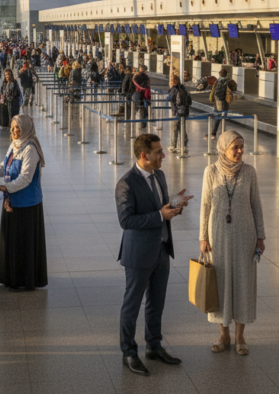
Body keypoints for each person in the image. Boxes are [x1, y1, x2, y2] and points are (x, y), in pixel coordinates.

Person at [116, 133, 192, 376]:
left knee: (156, 302)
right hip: (138, 254)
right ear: (144, 155)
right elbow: (126, 220)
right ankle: (129, 352)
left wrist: (175, 204)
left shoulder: (159, 175)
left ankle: (154, 346)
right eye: (158, 152)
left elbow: (159, 205)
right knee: (132, 305)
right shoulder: (126, 183)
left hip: (161, 249)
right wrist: (160, 215)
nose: (163, 155)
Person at [199, 131, 266, 354]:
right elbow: (205, 205)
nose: (239, 151)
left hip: (245, 235)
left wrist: (260, 236)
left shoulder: (249, 172)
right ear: (223, 148)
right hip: (217, 234)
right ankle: (223, 333)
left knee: (243, 281)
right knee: (220, 282)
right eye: (234, 147)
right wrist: (203, 237)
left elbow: (256, 204)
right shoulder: (211, 171)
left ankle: (240, 336)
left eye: (241, 146)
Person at [0, 114, 47, 292]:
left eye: (17, 127)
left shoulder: (30, 149)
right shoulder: (14, 145)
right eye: (12, 127)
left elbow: (25, 178)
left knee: (23, 242)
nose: (13, 131)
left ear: (25, 128)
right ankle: (12, 277)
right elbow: (3, 167)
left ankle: (24, 280)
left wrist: (5, 187)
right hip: (12, 202)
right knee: (12, 241)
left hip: (27, 205)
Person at [167, 74, 192, 151]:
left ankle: (173, 146)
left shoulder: (174, 89)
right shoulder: (183, 88)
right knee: (182, 128)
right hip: (184, 111)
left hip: (177, 111)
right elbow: (189, 101)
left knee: (174, 128)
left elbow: (169, 98)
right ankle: (184, 146)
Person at [208, 69, 233, 139]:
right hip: (224, 102)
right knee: (221, 118)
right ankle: (219, 133)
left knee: (217, 117)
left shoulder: (219, 81)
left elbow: (216, 92)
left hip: (218, 102)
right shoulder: (227, 81)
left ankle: (213, 133)